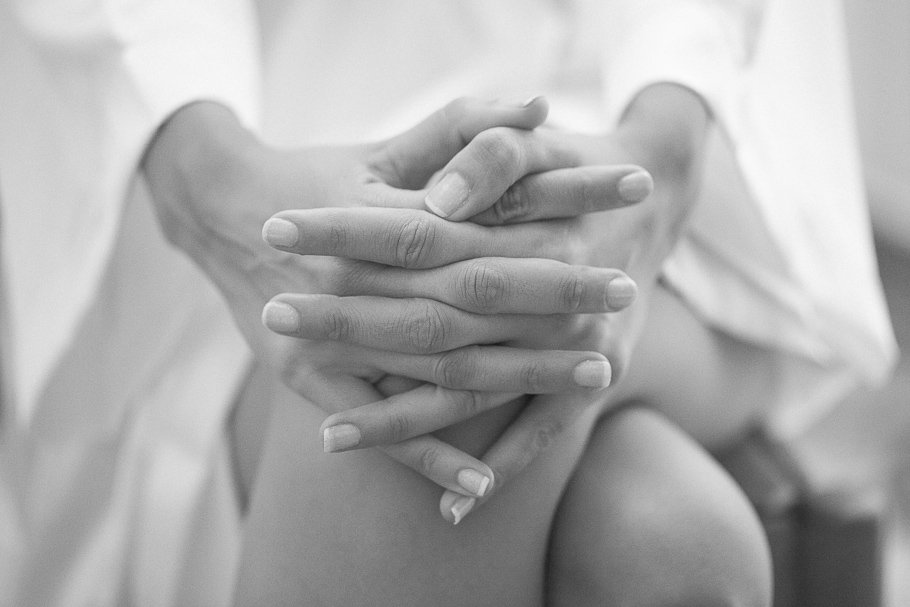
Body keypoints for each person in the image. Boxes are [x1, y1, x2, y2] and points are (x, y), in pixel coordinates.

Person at [0, 1, 896, 607]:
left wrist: (661, 152)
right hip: (273, 147)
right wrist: (207, 172)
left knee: (426, 370)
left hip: (667, 182)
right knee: (669, 548)